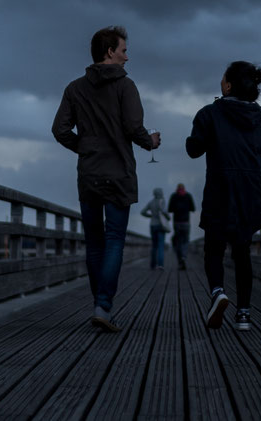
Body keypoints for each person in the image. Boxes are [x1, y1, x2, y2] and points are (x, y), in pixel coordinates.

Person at [52, 25, 160, 332]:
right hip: (118, 174)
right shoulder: (126, 87)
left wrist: (84, 148)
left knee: (94, 244)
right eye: (124, 50)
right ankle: (103, 305)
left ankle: (99, 304)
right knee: (114, 242)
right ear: (109, 51)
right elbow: (134, 128)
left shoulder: (75, 88)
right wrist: (150, 141)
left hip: (89, 174)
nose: (127, 57)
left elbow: (59, 130)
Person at [186, 61, 261, 332]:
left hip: (219, 189)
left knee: (214, 248)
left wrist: (195, 140)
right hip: (250, 191)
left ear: (227, 85)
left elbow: (194, 150)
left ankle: (217, 293)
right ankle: (244, 315)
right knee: (242, 252)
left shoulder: (209, 114)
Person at [141, 187, 171, 270]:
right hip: (161, 225)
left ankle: (152, 264)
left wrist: (151, 216)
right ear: (160, 193)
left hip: (152, 225)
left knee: (154, 246)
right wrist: (168, 218)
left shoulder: (151, 202)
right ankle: (160, 264)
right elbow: (164, 212)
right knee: (161, 245)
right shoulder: (162, 201)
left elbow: (142, 212)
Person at [167, 183, 196, 270]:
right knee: (186, 241)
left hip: (177, 222)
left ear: (177, 188)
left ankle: (180, 260)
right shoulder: (188, 196)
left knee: (178, 241)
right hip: (186, 222)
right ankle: (183, 256)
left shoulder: (173, 196)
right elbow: (193, 209)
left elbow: (170, 209)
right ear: (184, 188)